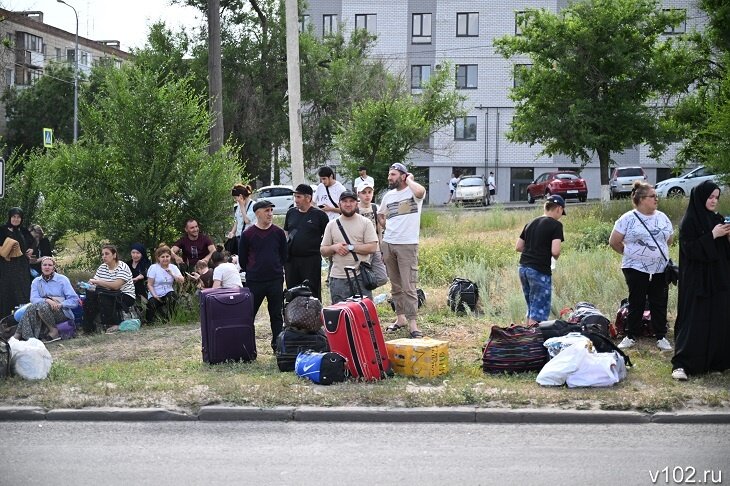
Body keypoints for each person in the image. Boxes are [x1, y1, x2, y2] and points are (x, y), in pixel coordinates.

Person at [671, 181, 730, 380]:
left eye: (716, 197)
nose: (714, 201)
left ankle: (714, 361)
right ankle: (683, 364)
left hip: (717, 279)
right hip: (696, 281)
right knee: (694, 320)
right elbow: (691, 250)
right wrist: (712, 235)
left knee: (717, 319)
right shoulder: (689, 222)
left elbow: (723, 253)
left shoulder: (718, 219)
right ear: (701, 197)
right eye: (710, 197)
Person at [609, 181, 674, 351]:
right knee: (636, 300)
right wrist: (631, 254)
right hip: (635, 267)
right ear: (641, 199)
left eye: (656, 196)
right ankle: (631, 335)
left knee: (659, 300)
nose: (656, 199)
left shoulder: (662, 217)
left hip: (660, 267)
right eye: (652, 196)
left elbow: (669, 239)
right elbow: (614, 242)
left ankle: (660, 335)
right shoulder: (627, 219)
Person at [378, 163, 426, 338]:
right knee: (396, 286)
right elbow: (381, 214)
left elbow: (421, 192)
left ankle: (413, 323)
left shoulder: (414, 193)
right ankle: (401, 319)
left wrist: (411, 179)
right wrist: (386, 227)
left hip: (408, 245)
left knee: (409, 286)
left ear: (403, 176)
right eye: (389, 174)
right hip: (389, 243)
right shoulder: (388, 196)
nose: (389, 178)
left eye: (393, 174)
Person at [239, 199, 287, 351]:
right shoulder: (248, 234)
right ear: (257, 213)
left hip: (275, 279)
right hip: (255, 280)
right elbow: (242, 258)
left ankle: (277, 346)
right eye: (266, 211)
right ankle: (246, 346)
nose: (270, 214)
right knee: (249, 314)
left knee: (276, 315)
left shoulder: (278, 233)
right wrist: (254, 269)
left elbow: (284, 255)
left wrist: (277, 268)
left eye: (271, 210)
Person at [515, 195, 566, 326]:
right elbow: (555, 251)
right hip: (539, 270)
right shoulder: (556, 225)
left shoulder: (530, 223)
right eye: (561, 212)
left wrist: (534, 248)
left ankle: (527, 337)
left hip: (523, 268)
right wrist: (551, 255)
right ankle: (535, 340)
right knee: (539, 310)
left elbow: (519, 247)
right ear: (559, 209)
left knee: (531, 306)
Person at [321, 190, 379, 304]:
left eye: (351, 201)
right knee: (340, 316)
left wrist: (351, 247)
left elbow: (372, 247)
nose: (348, 204)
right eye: (345, 201)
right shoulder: (331, 225)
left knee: (364, 314)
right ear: (339, 204)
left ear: (356, 204)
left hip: (360, 276)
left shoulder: (366, 222)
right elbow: (323, 250)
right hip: (338, 277)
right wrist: (334, 248)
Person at [13, 256, 79, 342]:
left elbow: (74, 300)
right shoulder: (36, 281)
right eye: (44, 265)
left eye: (50, 265)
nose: (47, 267)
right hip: (42, 310)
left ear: (53, 267)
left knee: (40, 306)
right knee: (32, 307)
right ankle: (30, 339)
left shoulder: (62, 280)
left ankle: (53, 331)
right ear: (41, 267)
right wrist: (47, 300)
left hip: (61, 311)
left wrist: (60, 304)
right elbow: (33, 299)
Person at [283, 183, 329, 299]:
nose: (296, 200)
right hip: (291, 260)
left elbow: (328, 237)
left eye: (299, 197)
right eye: (295, 197)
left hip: (311, 260)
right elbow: (286, 233)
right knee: (292, 292)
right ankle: (293, 316)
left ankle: (314, 315)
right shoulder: (291, 212)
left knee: (311, 292)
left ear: (308, 198)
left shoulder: (320, 215)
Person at [82, 244, 136, 333]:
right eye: (102, 254)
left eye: (107, 254)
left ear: (114, 255)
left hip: (125, 295)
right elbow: (94, 283)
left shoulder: (122, 267)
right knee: (89, 298)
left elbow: (116, 286)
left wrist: (98, 282)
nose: (104, 256)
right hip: (107, 292)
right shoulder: (102, 267)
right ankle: (89, 328)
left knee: (103, 297)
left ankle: (113, 324)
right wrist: (89, 285)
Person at [0, 207, 33, 318]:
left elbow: (33, 242)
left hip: (22, 267)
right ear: (10, 217)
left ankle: (23, 320)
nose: (16, 219)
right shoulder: (3, 229)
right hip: (6, 267)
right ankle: (4, 322)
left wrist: (31, 249)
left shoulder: (23, 230)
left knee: (22, 292)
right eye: (14, 216)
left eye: (18, 217)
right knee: (6, 293)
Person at [357, 181, 388, 286]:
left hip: (375, 247)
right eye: (364, 192)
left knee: (382, 277)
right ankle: (363, 295)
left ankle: (365, 288)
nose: (367, 195)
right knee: (362, 275)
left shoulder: (375, 208)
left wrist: (382, 249)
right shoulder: (355, 209)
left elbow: (380, 231)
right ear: (358, 194)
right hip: (361, 248)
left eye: (370, 192)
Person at [146, 245, 185, 323]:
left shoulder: (173, 267)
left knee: (172, 296)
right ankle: (150, 322)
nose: (165, 259)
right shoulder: (154, 267)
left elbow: (182, 280)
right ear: (158, 258)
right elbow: (149, 284)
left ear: (170, 257)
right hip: (155, 293)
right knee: (152, 303)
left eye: (167, 256)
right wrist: (155, 295)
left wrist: (172, 273)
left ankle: (170, 319)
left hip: (167, 292)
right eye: (162, 257)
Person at [226, 184, 256, 255]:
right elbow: (237, 221)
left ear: (241, 196)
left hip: (249, 238)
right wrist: (232, 232)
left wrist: (242, 205)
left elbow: (247, 220)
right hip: (239, 237)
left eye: (236, 197)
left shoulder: (253, 206)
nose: (235, 200)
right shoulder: (238, 205)